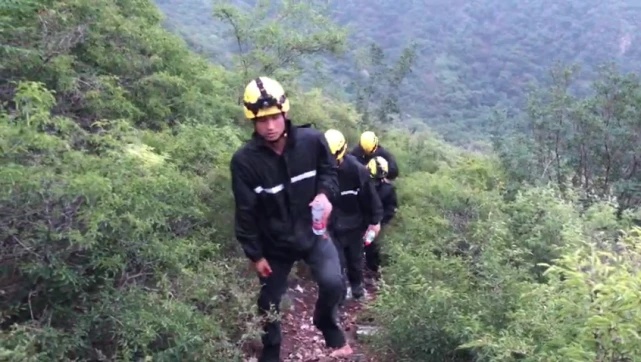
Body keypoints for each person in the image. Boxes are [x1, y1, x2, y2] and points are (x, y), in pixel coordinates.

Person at [230, 76, 352, 362]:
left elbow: (328, 173)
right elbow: (245, 211)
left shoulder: (312, 142)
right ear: (252, 122)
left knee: (334, 283)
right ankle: (271, 353)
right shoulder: (245, 162)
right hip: (275, 245)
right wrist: (255, 254)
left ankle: (324, 323)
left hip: (314, 235)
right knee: (268, 303)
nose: (269, 127)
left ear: (285, 112)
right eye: (261, 120)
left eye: (274, 117)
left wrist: (325, 194)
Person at [324, 129, 383, 301]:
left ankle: (357, 290)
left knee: (355, 261)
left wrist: (375, 221)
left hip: (354, 225)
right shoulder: (320, 169)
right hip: (331, 226)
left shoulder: (357, 171)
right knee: (337, 264)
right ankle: (339, 298)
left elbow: (370, 197)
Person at [364, 156, 398, 275]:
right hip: (360, 220)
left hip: (375, 223)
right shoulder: (361, 183)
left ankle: (372, 269)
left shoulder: (388, 190)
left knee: (372, 247)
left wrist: (379, 221)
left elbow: (391, 208)